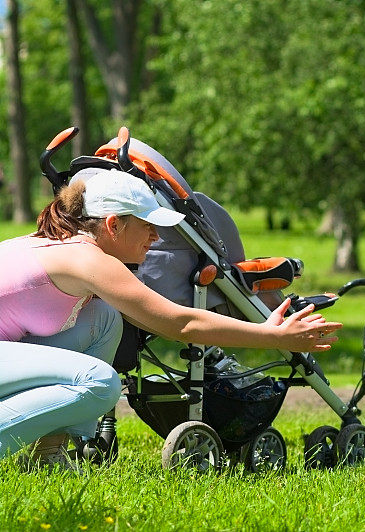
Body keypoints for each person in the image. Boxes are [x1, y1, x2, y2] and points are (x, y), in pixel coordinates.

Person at [0, 169, 341, 468]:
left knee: (103, 319)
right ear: (113, 224)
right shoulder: (87, 259)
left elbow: (159, 320)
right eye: (148, 225)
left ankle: (48, 453)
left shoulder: (65, 245)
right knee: (101, 384)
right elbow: (182, 324)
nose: (156, 237)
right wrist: (273, 336)